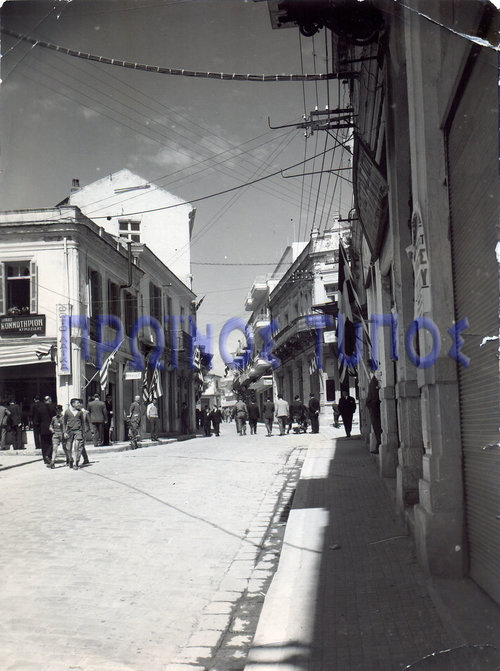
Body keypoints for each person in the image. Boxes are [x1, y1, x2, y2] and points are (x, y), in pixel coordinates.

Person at [63, 398, 90, 470]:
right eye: (77, 403)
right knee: (68, 448)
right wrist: (64, 432)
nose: (79, 404)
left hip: (78, 431)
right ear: (73, 404)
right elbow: (64, 422)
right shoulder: (67, 412)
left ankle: (76, 463)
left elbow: (82, 423)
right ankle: (70, 459)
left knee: (77, 447)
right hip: (69, 431)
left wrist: (83, 432)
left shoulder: (80, 412)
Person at [366, 373, 382, 453]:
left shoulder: (374, 381)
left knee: (377, 428)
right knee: (376, 428)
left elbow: (375, 396)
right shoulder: (373, 381)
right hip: (374, 408)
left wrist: (370, 404)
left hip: (375, 409)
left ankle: (379, 446)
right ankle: (378, 445)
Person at [39, 396, 57, 464]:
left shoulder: (40, 409)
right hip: (51, 428)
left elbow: (37, 420)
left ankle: (45, 459)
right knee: (51, 443)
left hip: (43, 428)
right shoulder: (53, 408)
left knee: (43, 444)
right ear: (49, 400)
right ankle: (48, 456)